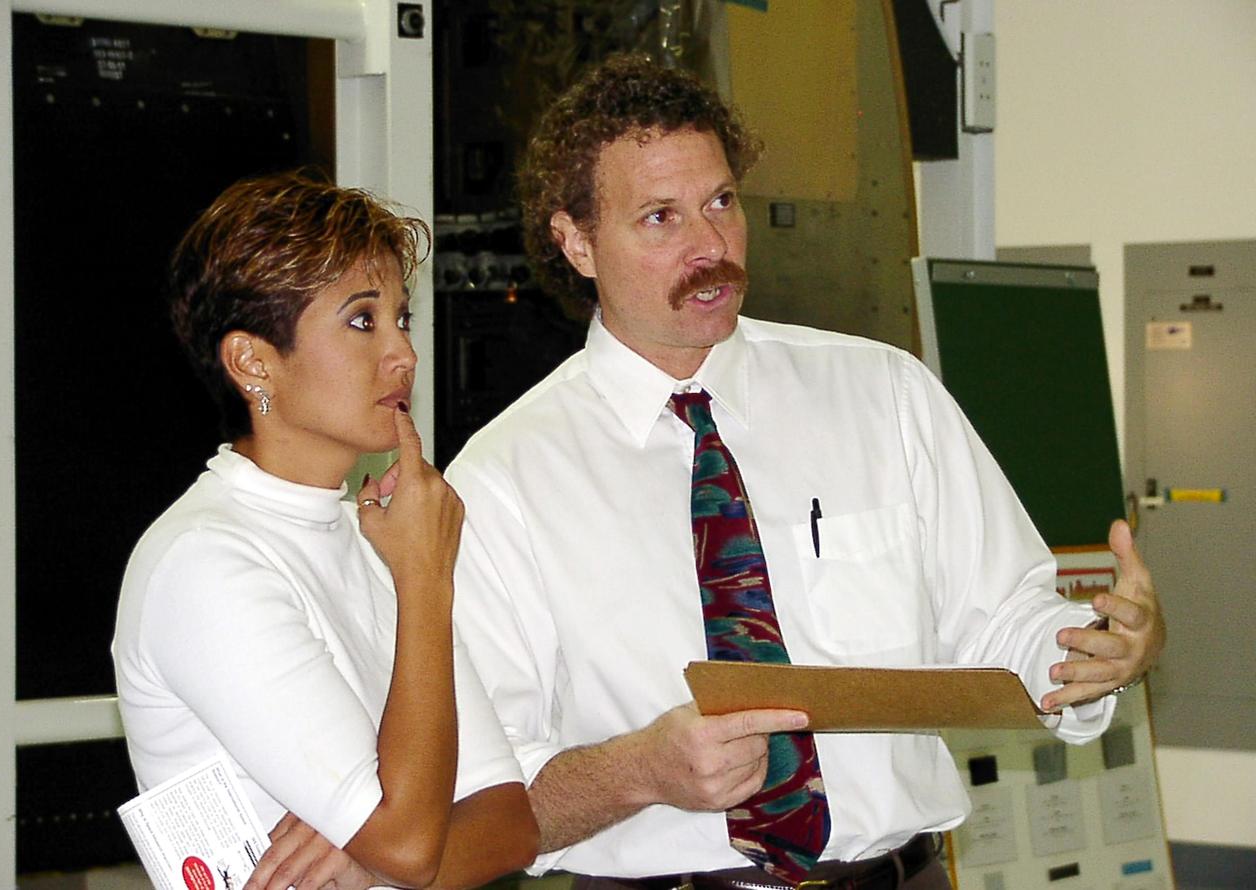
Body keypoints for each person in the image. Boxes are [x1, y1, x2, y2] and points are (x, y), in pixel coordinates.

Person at [442, 53, 1166, 889]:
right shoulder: (506, 481)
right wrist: (638, 771)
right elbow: (481, 801)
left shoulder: (882, 395)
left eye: (721, 202)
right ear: (576, 243)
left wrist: (1091, 653)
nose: (710, 246)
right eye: (661, 218)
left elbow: (1005, 621)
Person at [111, 170, 538, 890]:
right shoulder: (205, 561)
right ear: (253, 362)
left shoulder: (375, 536)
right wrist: (425, 581)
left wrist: (367, 857)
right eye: (363, 321)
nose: (403, 354)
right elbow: (411, 846)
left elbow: (512, 826)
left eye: (402, 319)